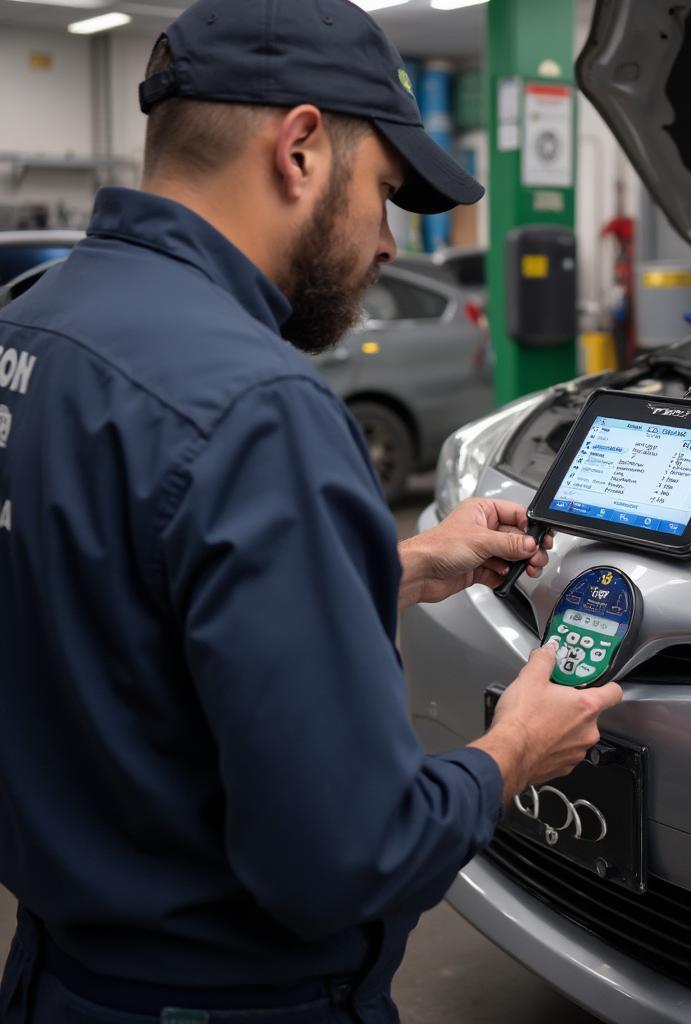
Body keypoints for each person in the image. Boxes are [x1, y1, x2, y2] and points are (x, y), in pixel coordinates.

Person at [0, 1, 623, 1021]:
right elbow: (349, 857)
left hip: (55, 976)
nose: (387, 242)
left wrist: (394, 565)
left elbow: (117, 599)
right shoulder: (257, 409)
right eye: (384, 192)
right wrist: (513, 748)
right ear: (298, 149)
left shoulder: (33, 322)